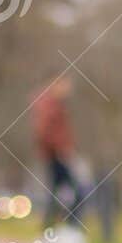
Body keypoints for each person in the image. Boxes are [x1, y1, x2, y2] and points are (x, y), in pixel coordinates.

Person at [33, 75, 86, 231]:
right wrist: (60, 149)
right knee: (77, 189)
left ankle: (50, 227)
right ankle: (71, 228)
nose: (68, 90)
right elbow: (44, 132)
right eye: (66, 85)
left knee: (57, 191)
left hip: (56, 154)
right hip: (57, 155)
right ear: (56, 83)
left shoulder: (54, 104)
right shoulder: (49, 105)